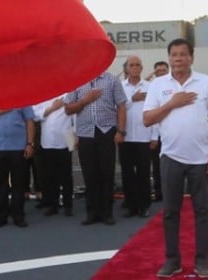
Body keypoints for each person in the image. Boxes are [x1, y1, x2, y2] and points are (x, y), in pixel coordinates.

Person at [144, 38, 208, 279]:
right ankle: (172, 261)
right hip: (170, 157)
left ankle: (202, 262)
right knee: (170, 211)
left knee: (202, 211)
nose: (178, 58)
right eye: (174, 54)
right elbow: (147, 119)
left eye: (183, 54)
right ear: (169, 58)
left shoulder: (205, 82)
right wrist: (172, 103)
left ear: (191, 57)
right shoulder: (158, 85)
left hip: (200, 159)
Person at [65, 68, 128, 226]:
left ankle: (107, 213)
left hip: (107, 132)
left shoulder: (112, 79)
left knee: (107, 174)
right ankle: (92, 212)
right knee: (89, 174)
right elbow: (67, 109)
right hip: (85, 134)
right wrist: (85, 100)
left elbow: (121, 106)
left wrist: (121, 131)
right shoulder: (77, 80)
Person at [0, 107, 36, 228]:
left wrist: (30, 143)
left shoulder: (22, 98)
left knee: (19, 184)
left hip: (18, 147)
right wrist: (0, 111)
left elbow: (29, 121)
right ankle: (0, 216)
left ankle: (18, 215)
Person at [119, 56, 157, 218]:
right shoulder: (120, 87)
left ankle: (144, 205)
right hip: (125, 137)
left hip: (144, 137)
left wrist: (155, 136)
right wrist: (132, 99)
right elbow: (116, 108)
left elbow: (155, 112)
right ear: (126, 69)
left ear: (141, 68)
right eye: (131, 65)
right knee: (127, 173)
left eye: (137, 65)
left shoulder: (150, 87)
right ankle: (130, 205)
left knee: (143, 173)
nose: (134, 68)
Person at [33, 94, 75, 216]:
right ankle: (53, 205)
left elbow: (75, 114)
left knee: (67, 175)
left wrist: (76, 135)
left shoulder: (69, 93)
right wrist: (52, 108)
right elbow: (35, 115)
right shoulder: (42, 94)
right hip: (48, 140)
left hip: (67, 137)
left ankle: (68, 205)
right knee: (50, 175)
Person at [149, 60, 170, 202]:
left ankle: (172, 192)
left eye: (164, 70)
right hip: (156, 135)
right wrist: (154, 136)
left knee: (172, 166)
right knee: (156, 166)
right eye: (158, 71)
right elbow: (152, 113)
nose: (161, 73)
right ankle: (159, 193)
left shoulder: (174, 87)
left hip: (171, 134)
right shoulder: (151, 87)